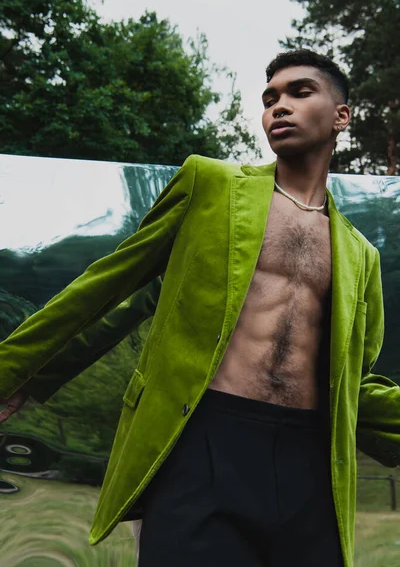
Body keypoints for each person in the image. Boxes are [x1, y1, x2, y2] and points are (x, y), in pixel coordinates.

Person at [0, 49, 399, 567]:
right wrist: (16, 369)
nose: (279, 107)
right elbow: (110, 287)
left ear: (341, 116)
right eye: (270, 99)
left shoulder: (361, 255)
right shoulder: (209, 184)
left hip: (309, 461)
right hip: (207, 441)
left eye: (300, 92)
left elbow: (355, 382)